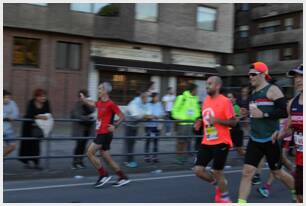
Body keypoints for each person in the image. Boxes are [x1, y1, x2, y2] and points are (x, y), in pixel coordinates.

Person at [237, 62, 295, 203]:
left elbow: (283, 112)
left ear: (262, 74)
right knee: (247, 173)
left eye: (253, 74)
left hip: (271, 139)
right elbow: (254, 112)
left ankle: (298, 192)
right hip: (255, 139)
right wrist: (245, 113)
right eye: (249, 74)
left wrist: (264, 115)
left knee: (277, 173)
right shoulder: (253, 92)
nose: (250, 77)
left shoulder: (272, 89)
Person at [193, 76, 237, 203]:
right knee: (198, 170)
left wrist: (217, 120)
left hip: (221, 142)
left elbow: (234, 122)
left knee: (218, 172)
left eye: (210, 84)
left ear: (217, 86)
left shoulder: (225, 101)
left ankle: (225, 198)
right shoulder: (206, 100)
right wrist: (200, 122)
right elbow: (206, 118)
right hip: (207, 141)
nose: (207, 86)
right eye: (206, 84)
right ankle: (218, 184)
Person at [81, 82, 130, 188]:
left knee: (90, 152)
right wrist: (84, 100)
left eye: (100, 89)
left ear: (105, 91)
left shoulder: (110, 104)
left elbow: (122, 116)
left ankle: (104, 175)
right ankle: (123, 177)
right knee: (107, 158)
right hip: (102, 133)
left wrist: (115, 125)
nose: (98, 90)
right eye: (98, 88)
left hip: (105, 133)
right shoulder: (100, 102)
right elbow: (92, 103)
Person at [272, 64, 303, 203]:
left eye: (302, 76)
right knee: (299, 197)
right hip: (300, 161)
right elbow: (290, 128)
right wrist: (279, 134)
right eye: (296, 76)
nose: (298, 79)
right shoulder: (292, 103)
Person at [257, 118, 294, 198]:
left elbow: (291, 124)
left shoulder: (287, 108)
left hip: (283, 138)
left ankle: (266, 188)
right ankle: (294, 174)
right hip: (274, 138)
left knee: (277, 163)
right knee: (280, 161)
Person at [19, 89, 52, 170]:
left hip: (38, 127)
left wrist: (41, 116)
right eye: (41, 96)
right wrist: (39, 116)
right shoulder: (31, 102)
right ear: (36, 97)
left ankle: (36, 163)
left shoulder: (47, 102)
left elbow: (49, 113)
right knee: (27, 144)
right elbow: (29, 114)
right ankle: (26, 162)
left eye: (44, 96)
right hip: (28, 126)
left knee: (36, 144)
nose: (43, 98)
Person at [172, 83, 201, 165]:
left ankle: (182, 157)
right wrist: (178, 118)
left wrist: (197, 117)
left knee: (186, 141)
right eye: (196, 90)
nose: (197, 91)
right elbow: (174, 109)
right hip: (182, 123)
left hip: (191, 123)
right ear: (192, 90)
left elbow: (197, 110)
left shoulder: (195, 99)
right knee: (180, 141)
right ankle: (178, 158)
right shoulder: (182, 97)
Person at [124, 92, 151, 168]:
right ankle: (128, 161)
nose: (148, 100)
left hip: (134, 125)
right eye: (147, 98)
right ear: (143, 98)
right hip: (129, 126)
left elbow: (148, 112)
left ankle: (130, 160)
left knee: (132, 144)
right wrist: (147, 116)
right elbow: (137, 115)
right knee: (129, 144)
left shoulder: (142, 103)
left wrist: (147, 115)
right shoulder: (134, 103)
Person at [70, 89, 95, 169]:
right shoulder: (77, 105)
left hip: (87, 128)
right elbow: (78, 116)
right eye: (84, 96)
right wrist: (88, 117)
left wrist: (88, 104)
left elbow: (93, 110)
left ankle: (80, 161)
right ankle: (75, 162)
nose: (86, 97)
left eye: (86, 96)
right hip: (79, 129)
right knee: (79, 145)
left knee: (83, 146)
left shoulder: (88, 104)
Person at [144, 93, 165, 163]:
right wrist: (151, 116)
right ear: (153, 98)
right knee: (148, 141)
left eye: (158, 97)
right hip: (149, 126)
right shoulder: (147, 105)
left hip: (157, 125)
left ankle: (155, 157)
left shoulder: (159, 104)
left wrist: (159, 117)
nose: (157, 98)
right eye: (156, 97)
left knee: (156, 141)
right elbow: (146, 115)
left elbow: (162, 114)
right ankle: (146, 156)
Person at [227, 92, 246, 156]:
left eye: (230, 97)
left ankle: (251, 156)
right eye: (227, 97)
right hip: (229, 131)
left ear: (234, 99)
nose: (228, 99)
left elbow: (236, 120)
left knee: (240, 152)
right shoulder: (227, 107)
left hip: (236, 132)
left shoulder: (236, 107)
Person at [3, 90, 19, 157]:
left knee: (13, 146)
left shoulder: (12, 103)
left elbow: (16, 114)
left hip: (8, 130)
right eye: (6, 97)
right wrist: (7, 116)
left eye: (9, 97)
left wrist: (11, 116)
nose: (8, 99)